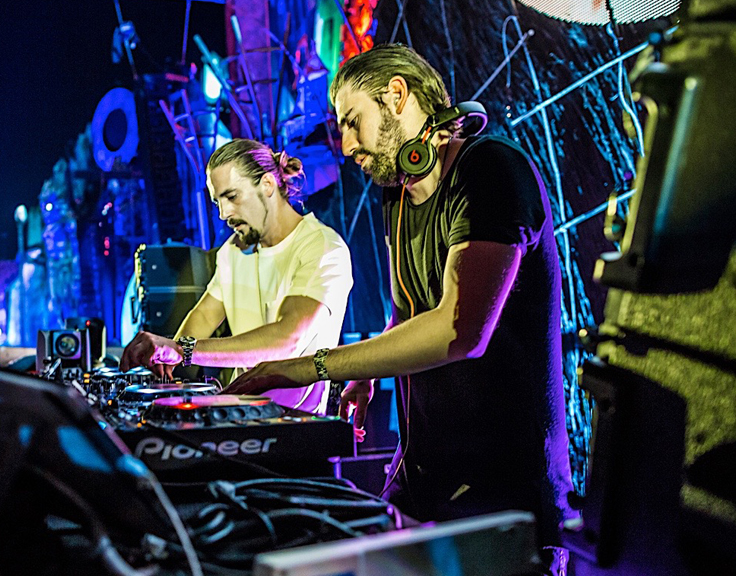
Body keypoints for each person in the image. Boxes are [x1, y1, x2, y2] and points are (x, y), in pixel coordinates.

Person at [223, 44, 575, 571]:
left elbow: (458, 329)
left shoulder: (491, 170)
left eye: (352, 121)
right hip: (423, 481)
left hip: (503, 496)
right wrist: (367, 374)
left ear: (396, 95)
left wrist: (310, 366)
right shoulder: (399, 193)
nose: (346, 146)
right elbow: (411, 310)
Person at [119, 138, 353, 414]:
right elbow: (205, 315)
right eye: (217, 201)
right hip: (239, 415)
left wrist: (183, 349)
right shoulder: (232, 251)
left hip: (295, 422)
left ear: (267, 185)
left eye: (232, 197)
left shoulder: (322, 247)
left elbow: (288, 339)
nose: (223, 213)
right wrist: (167, 358)